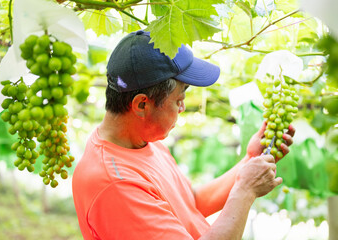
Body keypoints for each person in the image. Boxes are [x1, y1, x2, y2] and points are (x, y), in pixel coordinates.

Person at [72, 30, 295, 240]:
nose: (182, 108)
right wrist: (245, 191)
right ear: (141, 104)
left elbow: (192, 202)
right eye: (178, 100)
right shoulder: (115, 185)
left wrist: (250, 160)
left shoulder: (143, 141)